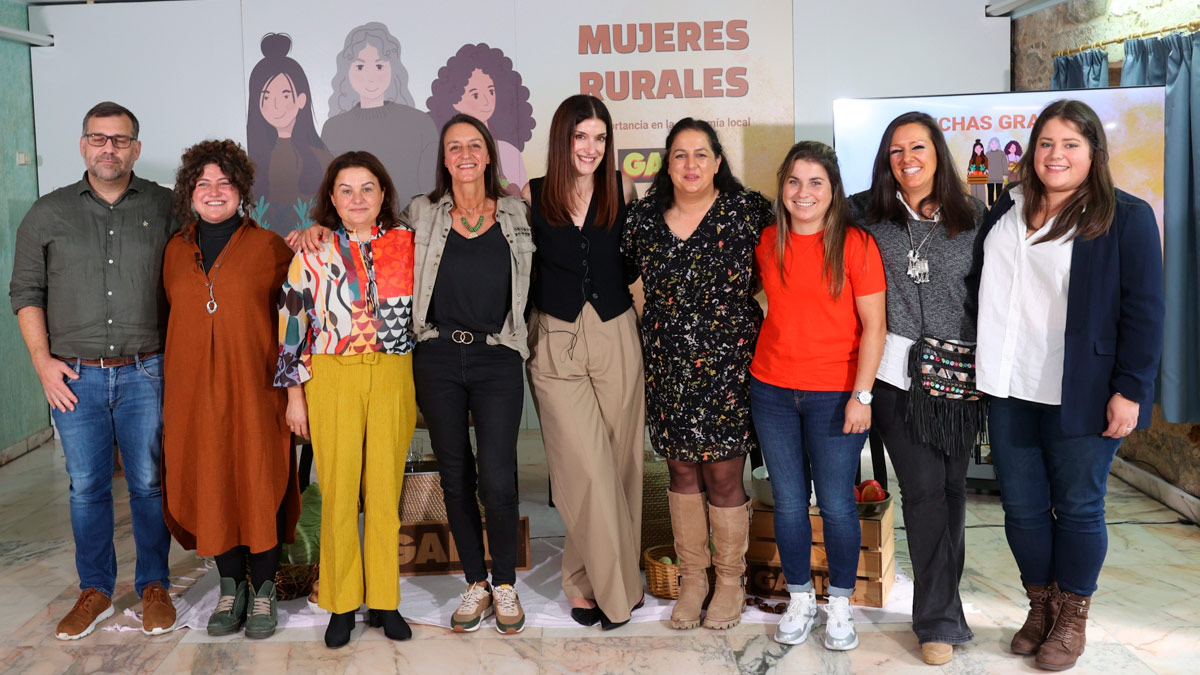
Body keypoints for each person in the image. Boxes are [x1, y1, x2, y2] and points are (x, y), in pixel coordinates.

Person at [971, 99, 1164, 671]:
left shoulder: (1124, 216)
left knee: (1079, 508)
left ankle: (1073, 616)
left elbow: (1145, 311)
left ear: (1093, 153)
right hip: (1007, 386)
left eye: (1071, 145)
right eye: (1047, 144)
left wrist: (1131, 388)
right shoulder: (1003, 212)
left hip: (1082, 389)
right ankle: (1041, 605)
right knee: (1023, 510)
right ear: (1031, 152)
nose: (1056, 155)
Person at [9, 102, 177, 640]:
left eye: (120, 140)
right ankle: (95, 591)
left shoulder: (167, 206)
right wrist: (42, 364)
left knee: (150, 484)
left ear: (137, 147)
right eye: (99, 139)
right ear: (83, 145)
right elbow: (25, 292)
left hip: (147, 371)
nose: (110, 148)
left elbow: (212, 260)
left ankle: (154, 585)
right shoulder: (47, 213)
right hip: (73, 378)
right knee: (86, 488)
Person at [621, 118, 772, 631]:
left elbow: (780, 269)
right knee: (682, 470)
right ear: (667, 162)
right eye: (680, 155)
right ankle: (693, 580)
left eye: (701, 154)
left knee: (725, 473)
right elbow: (611, 279)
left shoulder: (747, 211)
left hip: (730, 361)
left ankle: (731, 582)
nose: (691, 165)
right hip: (667, 361)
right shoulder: (641, 219)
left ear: (718, 161)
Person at [848, 111, 986, 666]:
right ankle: (935, 621)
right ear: (887, 159)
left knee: (953, 495)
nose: (908, 159)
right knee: (925, 493)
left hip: (958, 379)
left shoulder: (975, 216)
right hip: (894, 377)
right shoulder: (863, 215)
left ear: (937, 153)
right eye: (897, 150)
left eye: (919, 148)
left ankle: (945, 609)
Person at [274, 151, 418, 649]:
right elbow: (291, 328)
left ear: (384, 194)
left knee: (384, 492)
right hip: (330, 376)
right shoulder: (311, 252)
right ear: (331, 198)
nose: (357, 199)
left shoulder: (410, 244)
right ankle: (339, 602)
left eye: (368, 188)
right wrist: (295, 397)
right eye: (346, 190)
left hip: (394, 375)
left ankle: (384, 600)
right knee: (336, 492)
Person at [161, 139, 299, 639]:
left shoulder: (269, 248)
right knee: (213, 481)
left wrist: (295, 393)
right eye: (203, 184)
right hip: (193, 396)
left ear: (241, 190)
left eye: (225, 183)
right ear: (189, 192)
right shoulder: (175, 251)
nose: (214, 192)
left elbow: (297, 325)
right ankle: (229, 587)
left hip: (257, 392)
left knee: (258, 483)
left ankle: (262, 592)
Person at [751, 141, 886, 651]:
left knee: (835, 505)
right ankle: (802, 597)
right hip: (771, 390)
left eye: (815, 183)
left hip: (836, 395)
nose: (802, 192)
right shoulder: (767, 241)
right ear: (782, 187)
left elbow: (875, 326)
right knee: (787, 503)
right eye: (793, 181)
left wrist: (863, 396)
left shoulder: (855, 245)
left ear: (833, 191)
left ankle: (841, 605)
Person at [521, 95, 643, 630]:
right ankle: (622, 595)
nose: (591, 148)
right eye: (580, 137)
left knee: (620, 467)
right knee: (583, 467)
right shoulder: (530, 195)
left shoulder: (623, 188)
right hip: (555, 337)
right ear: (562, 139)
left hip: (616, 332)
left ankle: (580, 580)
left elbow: (637, 266)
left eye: (599, 138)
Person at [321, 22, 439, 209]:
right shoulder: (333, 129)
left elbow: (433, 194)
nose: (370, 76)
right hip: (350, 234)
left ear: (393, 68)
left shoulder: (420, 123)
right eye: (360, 67)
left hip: (414, 234)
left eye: (379, 66)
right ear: (347, 71)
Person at [247, 33, 334, 230]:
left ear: (301, 99)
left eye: (285, 95)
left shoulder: (324, 160)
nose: (275, 106)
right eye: (266, 97)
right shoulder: (249, 164)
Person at [427, 43, 535, 197]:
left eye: (491, 91)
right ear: (454, 99)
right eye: (475, 95)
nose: (486, 102)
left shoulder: (511, 153)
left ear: (489, 156)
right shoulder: (424, 209)